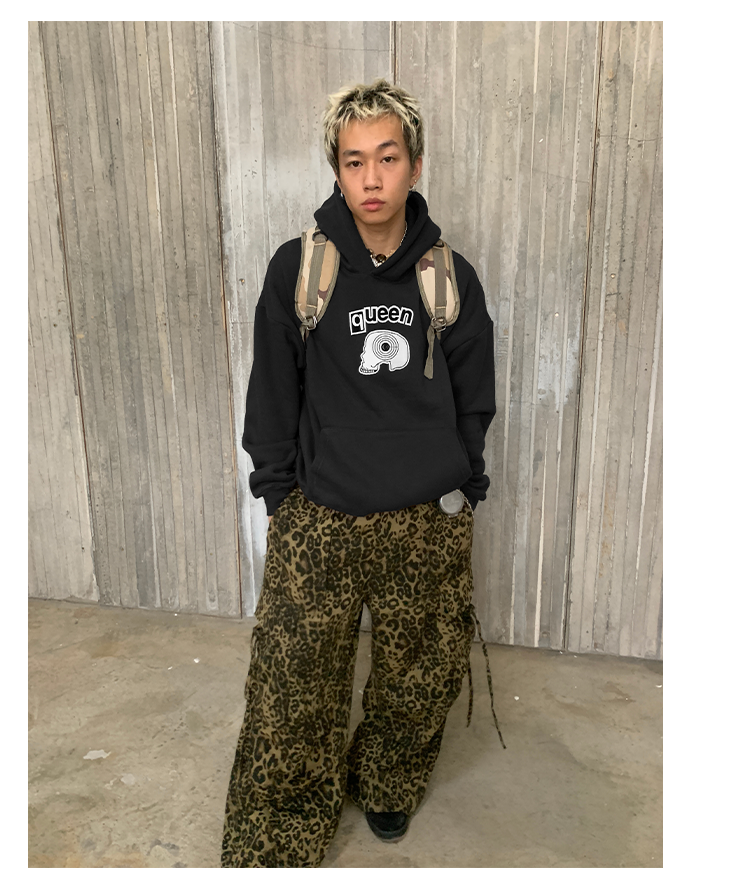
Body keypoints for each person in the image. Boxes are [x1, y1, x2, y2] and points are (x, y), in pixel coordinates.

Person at [221, 78, 497, 868]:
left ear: (415, 164)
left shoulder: (448, 274)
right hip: (322, 516)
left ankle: (386, 783)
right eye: (353, 161)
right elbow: (272, 392)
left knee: (419, 673)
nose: (371, 178)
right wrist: (280, 494)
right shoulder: (300, 267)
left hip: (425, 519)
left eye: (387, 157)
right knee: (293, 688)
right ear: (336, 170)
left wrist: (461, 482)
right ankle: (282, 830)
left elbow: (474, 394)